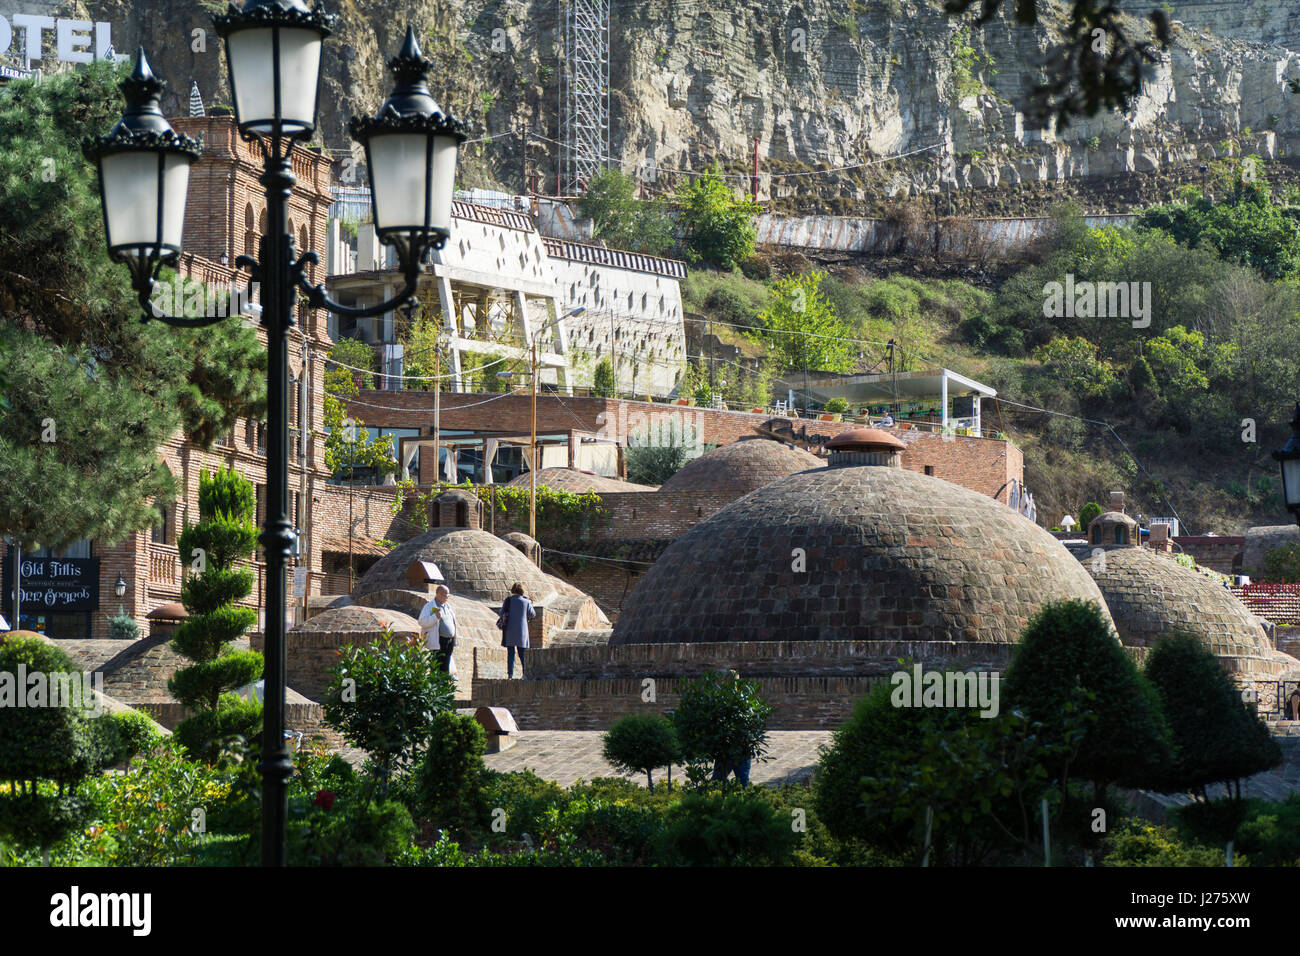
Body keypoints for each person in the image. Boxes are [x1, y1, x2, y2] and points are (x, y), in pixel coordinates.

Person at [498, 582, 535, 679]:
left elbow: (501, 612)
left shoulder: (508, 600)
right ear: (522, 591)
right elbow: (533, 614)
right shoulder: (526, 602)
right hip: (522, 631)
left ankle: (510, 675)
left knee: (511, 654)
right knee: (522, 654)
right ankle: (525, 674)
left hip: (510, 630)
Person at [418, 584, 457, 676]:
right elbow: (422, 622)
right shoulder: (429, 606)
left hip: (449, 641)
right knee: (437, 665)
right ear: (437, 594)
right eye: (444, 594)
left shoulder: (448, 606)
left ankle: (444, 686)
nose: (446, 596)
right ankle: (436, 686)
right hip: (439, 640)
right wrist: (435, 617)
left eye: (447, 594)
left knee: (446, 665)